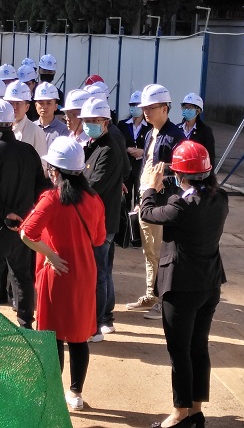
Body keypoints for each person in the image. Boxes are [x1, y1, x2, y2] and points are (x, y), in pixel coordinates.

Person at [140, 140, 228, 428]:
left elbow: (147, 212)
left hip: (181, 287)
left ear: (180, 175)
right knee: (198, 347)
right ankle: (195, 412)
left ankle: (179, 414)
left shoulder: (180, 206)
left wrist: (150, 188)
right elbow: (189, 197)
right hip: (209, 284)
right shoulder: (220, 198)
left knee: (179, 351)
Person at [20, 136, 106, 412]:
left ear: (55, 171)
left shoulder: (51, 200)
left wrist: (50, 254)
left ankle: (52, 392)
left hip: (55, 274)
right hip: (84, 272)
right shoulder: (95, 200)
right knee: (79, 336)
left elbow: (26, 233)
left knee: (52, 336)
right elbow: (98, 239)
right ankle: (76, 393)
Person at [0, 99, 50, 329]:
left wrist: (5, 214)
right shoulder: (28, 151)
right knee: (22, 275)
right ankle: (26, 323)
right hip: (23, 227)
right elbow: (41, 187)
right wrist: (26, 214)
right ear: (11, 124)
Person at [127, 84, 184, 320]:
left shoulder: (175, 136)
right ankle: (151, 294)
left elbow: (181, 173)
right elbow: (146, 168)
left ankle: (162, 300)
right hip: (147, 200)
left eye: (151, 108)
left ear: (165, 108)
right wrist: (141, 199)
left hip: (162, 204)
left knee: (160, 253)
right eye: (145, 108)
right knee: (149, 251)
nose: (146, 112)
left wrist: (166, 175)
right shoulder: (151, 133)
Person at [79, 97, 126, 342]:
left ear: (105, 122)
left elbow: (93, 186)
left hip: (102, 223)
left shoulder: (108, 149)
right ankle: (102, 319)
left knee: (98, 274)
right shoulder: (95, 144)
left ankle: (97, 324)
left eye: (93, 120)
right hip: (96, 221)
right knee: (102, 271)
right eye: (86, 120)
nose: (88, 125)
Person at [117, 90, 152, 245]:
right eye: (132, 105)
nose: (134, 108)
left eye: (137, 105)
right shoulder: (122, 125)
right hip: (126, 168)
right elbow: (118, 144)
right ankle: (123, 235)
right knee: (124, 200)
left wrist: (142, 152)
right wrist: (127, 149)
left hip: (142, 169)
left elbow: (153, 147)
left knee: (140, 200)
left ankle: (137, 237)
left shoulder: (149, 127)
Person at [5, 80, 47, 162]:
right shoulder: (0, 127)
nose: (14, 107)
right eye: (11, 103)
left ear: (27, 107)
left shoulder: (36, 132)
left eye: (18, 103)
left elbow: (42, 164)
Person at [178, 93, 215, 164]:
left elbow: (210, 157)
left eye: (189, 108)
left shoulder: (205, 131)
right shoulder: (177, 128)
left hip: (196, 168)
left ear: (198, 111)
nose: (186, 110)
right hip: (178, 167)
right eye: (184, 107)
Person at [33, 82, 69, 149]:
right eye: (41, 103)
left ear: (56, 106)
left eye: (49, 103)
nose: (44, 106)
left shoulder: (64, 130)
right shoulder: (30, 128)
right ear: (36, 106)